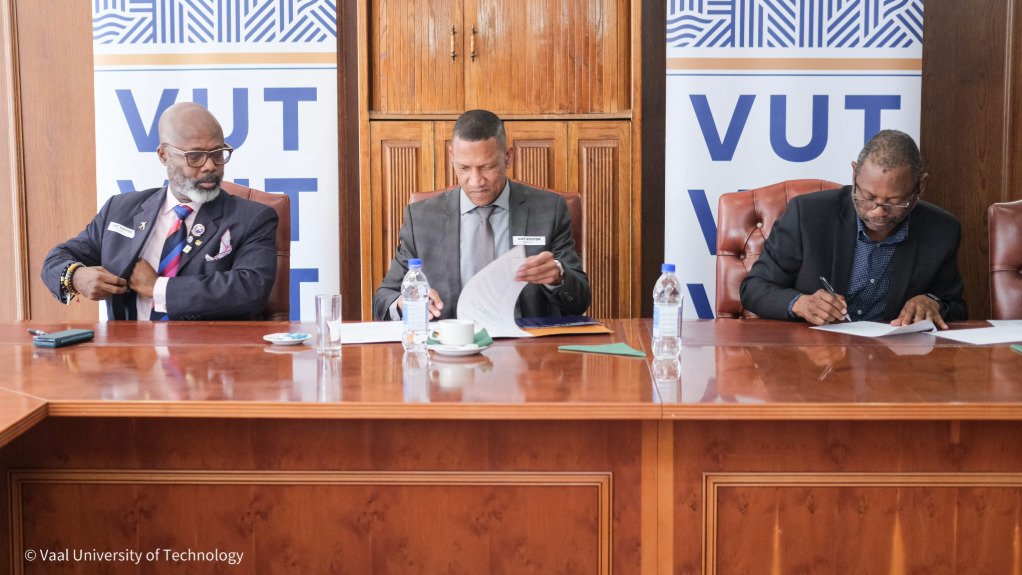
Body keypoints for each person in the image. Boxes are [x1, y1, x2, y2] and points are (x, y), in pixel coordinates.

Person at [42, 102, 278, 320]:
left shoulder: (252, 218)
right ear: (164, 156)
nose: (210, 166)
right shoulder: (120, 210)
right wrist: (74, 276)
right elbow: (57, 258)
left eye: (218, 153)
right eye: (195, 156)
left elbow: (250, 290)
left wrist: (156, 287)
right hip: (126, 357)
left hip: (207, 357)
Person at [372, 109, 590, 320]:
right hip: (451, 348)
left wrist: (558, 277)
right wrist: (405, 303)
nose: (476, 182)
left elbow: (580, 302)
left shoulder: (548, 210)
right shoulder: (421, 218)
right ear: (452, 156)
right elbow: (384, 299)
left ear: (507, 157)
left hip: (527, 346)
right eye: (464, 168)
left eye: (487, 167)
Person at [740, 129, 966, 328]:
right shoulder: (808, 216)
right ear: (855, 174)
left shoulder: (941, 230)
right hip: (815, 359)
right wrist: (800, 303)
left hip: (893, 362)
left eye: (894, 201)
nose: (877, 212)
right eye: (867, 197)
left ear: (920, 186)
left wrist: (931, 301)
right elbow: (754, 288)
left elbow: (955, 305)